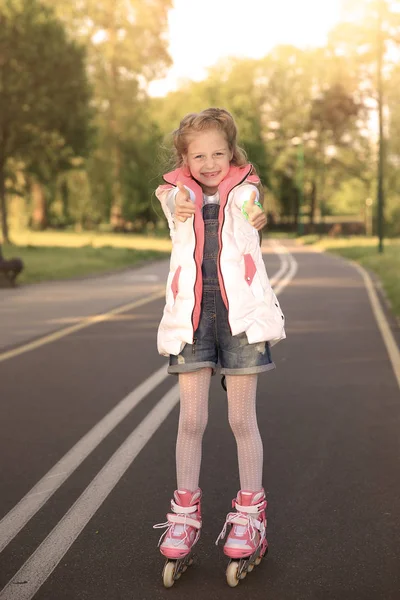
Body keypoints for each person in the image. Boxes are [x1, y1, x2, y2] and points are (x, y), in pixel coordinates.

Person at [153, 107, 285, 587]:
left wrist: (256, 214)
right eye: (199, 155)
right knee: (191, 420)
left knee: (239, 419)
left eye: (218, 153)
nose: (209, 162)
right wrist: (181, 204)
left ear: (232, 154)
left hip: (241, 320)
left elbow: (253, 210)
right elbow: (174, 205)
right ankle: (185, 515)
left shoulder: (246, 189)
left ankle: (252, 514)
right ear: (184, 158)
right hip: (192, 321)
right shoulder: (176, 194)